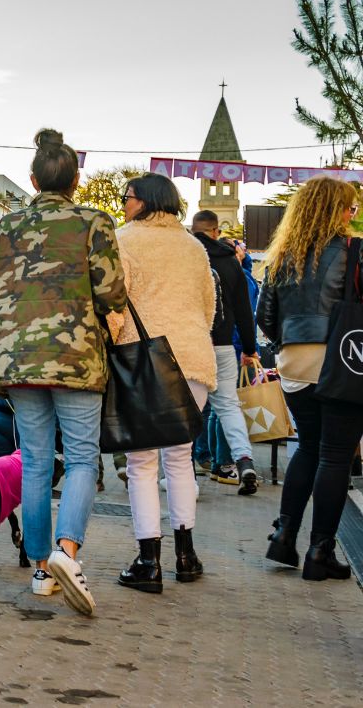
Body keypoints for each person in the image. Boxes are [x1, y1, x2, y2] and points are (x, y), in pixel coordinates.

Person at [0, 129, 126, 616]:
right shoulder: (94, 223)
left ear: (34, 178)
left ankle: (42, 571)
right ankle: (68, 552)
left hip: (17, 360)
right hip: (76, 358)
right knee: (82, 458)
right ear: (76, 180)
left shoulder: (4, 228)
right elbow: (112, 294)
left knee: (36, 461)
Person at [109, 173, 216, 596]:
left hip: (145, 360)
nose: (123, 203)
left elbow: (116, 302)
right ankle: (186, 556)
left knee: (141, 463)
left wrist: (113, 347)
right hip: (194, 360)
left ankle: (148, 560)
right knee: (180, 459)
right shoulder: (195, 247)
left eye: (128, 197)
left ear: (147, 201)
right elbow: (209, 306)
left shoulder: (125, 240)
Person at [257, 175, 361, 581]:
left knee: (307, 448)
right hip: (342, 359)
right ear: (336, 211)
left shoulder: (285, 254)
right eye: (350, 208)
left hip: (293, 362)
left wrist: (288, 340)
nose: (352, 215)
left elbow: (265, 317)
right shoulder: (354, 251)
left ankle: (284, 536)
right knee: (336, 455)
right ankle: (321, 552)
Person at [190, 210, 260, 494]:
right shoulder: (232, 263)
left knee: (189, 410)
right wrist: (250, 349)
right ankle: (244, 460)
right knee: (228, 406)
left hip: (191, 344)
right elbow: (245, 311)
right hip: (222, 346)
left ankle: (185, 475)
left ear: (194, 230)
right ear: (216, 231)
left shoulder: (187, 257)